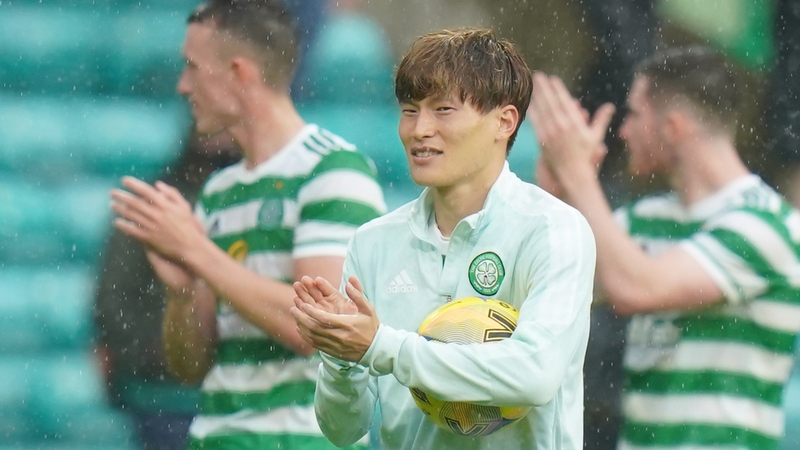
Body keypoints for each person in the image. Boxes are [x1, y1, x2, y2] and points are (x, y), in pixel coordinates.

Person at [289, 28, 597, 450]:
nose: (419, 129)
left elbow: (535, 374)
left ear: (504, 122)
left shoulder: (553, 229)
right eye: (410, 110)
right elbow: (343, 431)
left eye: (444, 110)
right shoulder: (373, 243)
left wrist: (381, 347)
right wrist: (341, 354)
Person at [108, 0, 387, 448]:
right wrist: (182, 293)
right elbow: (190, 366)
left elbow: (315, 330)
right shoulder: (219, 192)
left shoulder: (335, 171)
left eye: (193, 68)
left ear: (239, 73)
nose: (182, 85)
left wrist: (197, 253)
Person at [530, 46, 800, 450]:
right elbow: (546, 285)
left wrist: (579, 176)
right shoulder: (643, 219)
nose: (623, 131)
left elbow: (637, 289)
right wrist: (554, 195)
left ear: (672, 128)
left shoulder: (769, 225)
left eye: (635, 115)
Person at [94, 130, 239, 450]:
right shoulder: (158, 205)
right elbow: (114, 298)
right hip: (167, 395)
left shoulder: (250, 200)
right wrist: (152, 352)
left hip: (221, 393)